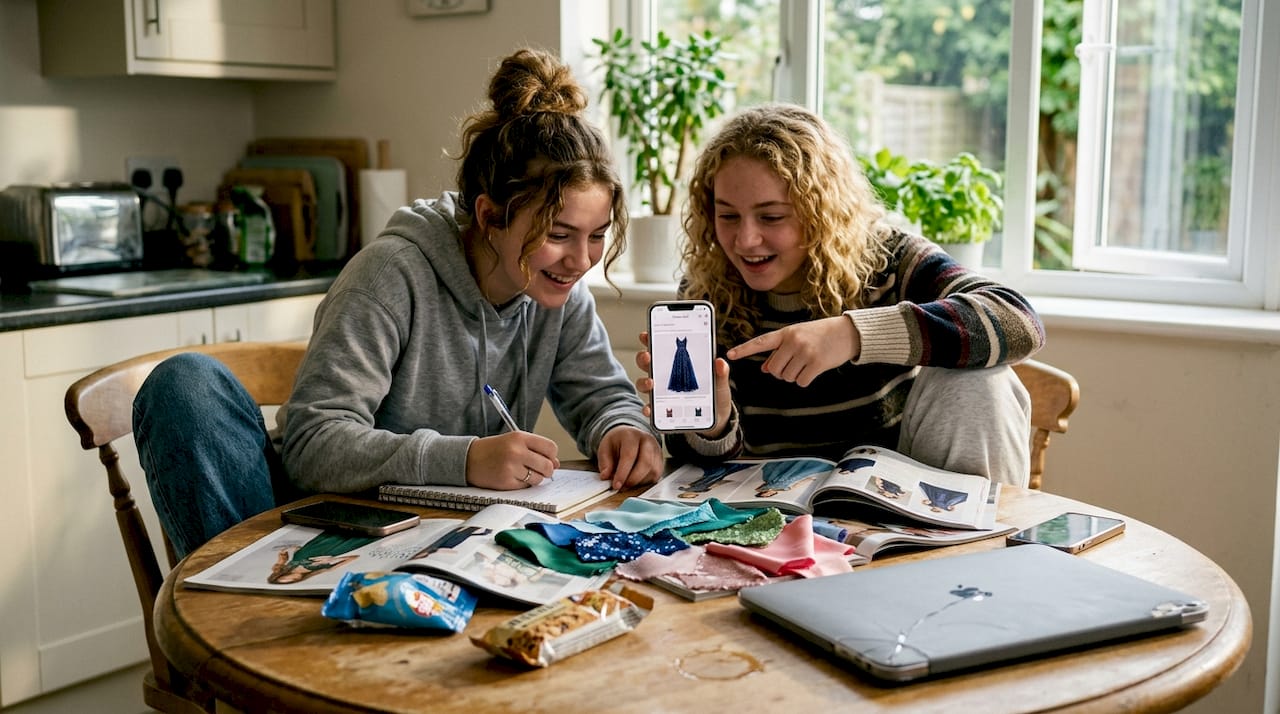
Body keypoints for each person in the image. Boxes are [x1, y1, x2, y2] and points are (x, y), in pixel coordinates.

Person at [135, 48, 663, 560]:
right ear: (488, 216)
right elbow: (312, 446)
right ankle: (241, 600)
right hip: (322, 529)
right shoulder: (389, 275)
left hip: (442, 548)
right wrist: (463, 459)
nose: (581, 260)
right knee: (184, 382)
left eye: (597, 235)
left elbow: (602, 398)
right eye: (559, 234)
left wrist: (622, 430)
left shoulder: (557, 291)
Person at [636, 103, 1044, 486]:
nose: (745, 239)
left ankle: (977, 531)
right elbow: (698, 467)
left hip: (894, 499)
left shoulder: (890, 260)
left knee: (981, 381)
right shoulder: (706, 291)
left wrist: (852, 335)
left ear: (820, 212)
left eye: (771, 217)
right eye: (727, 215)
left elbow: (1018, 320)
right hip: (772, 509)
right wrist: (713, 425)